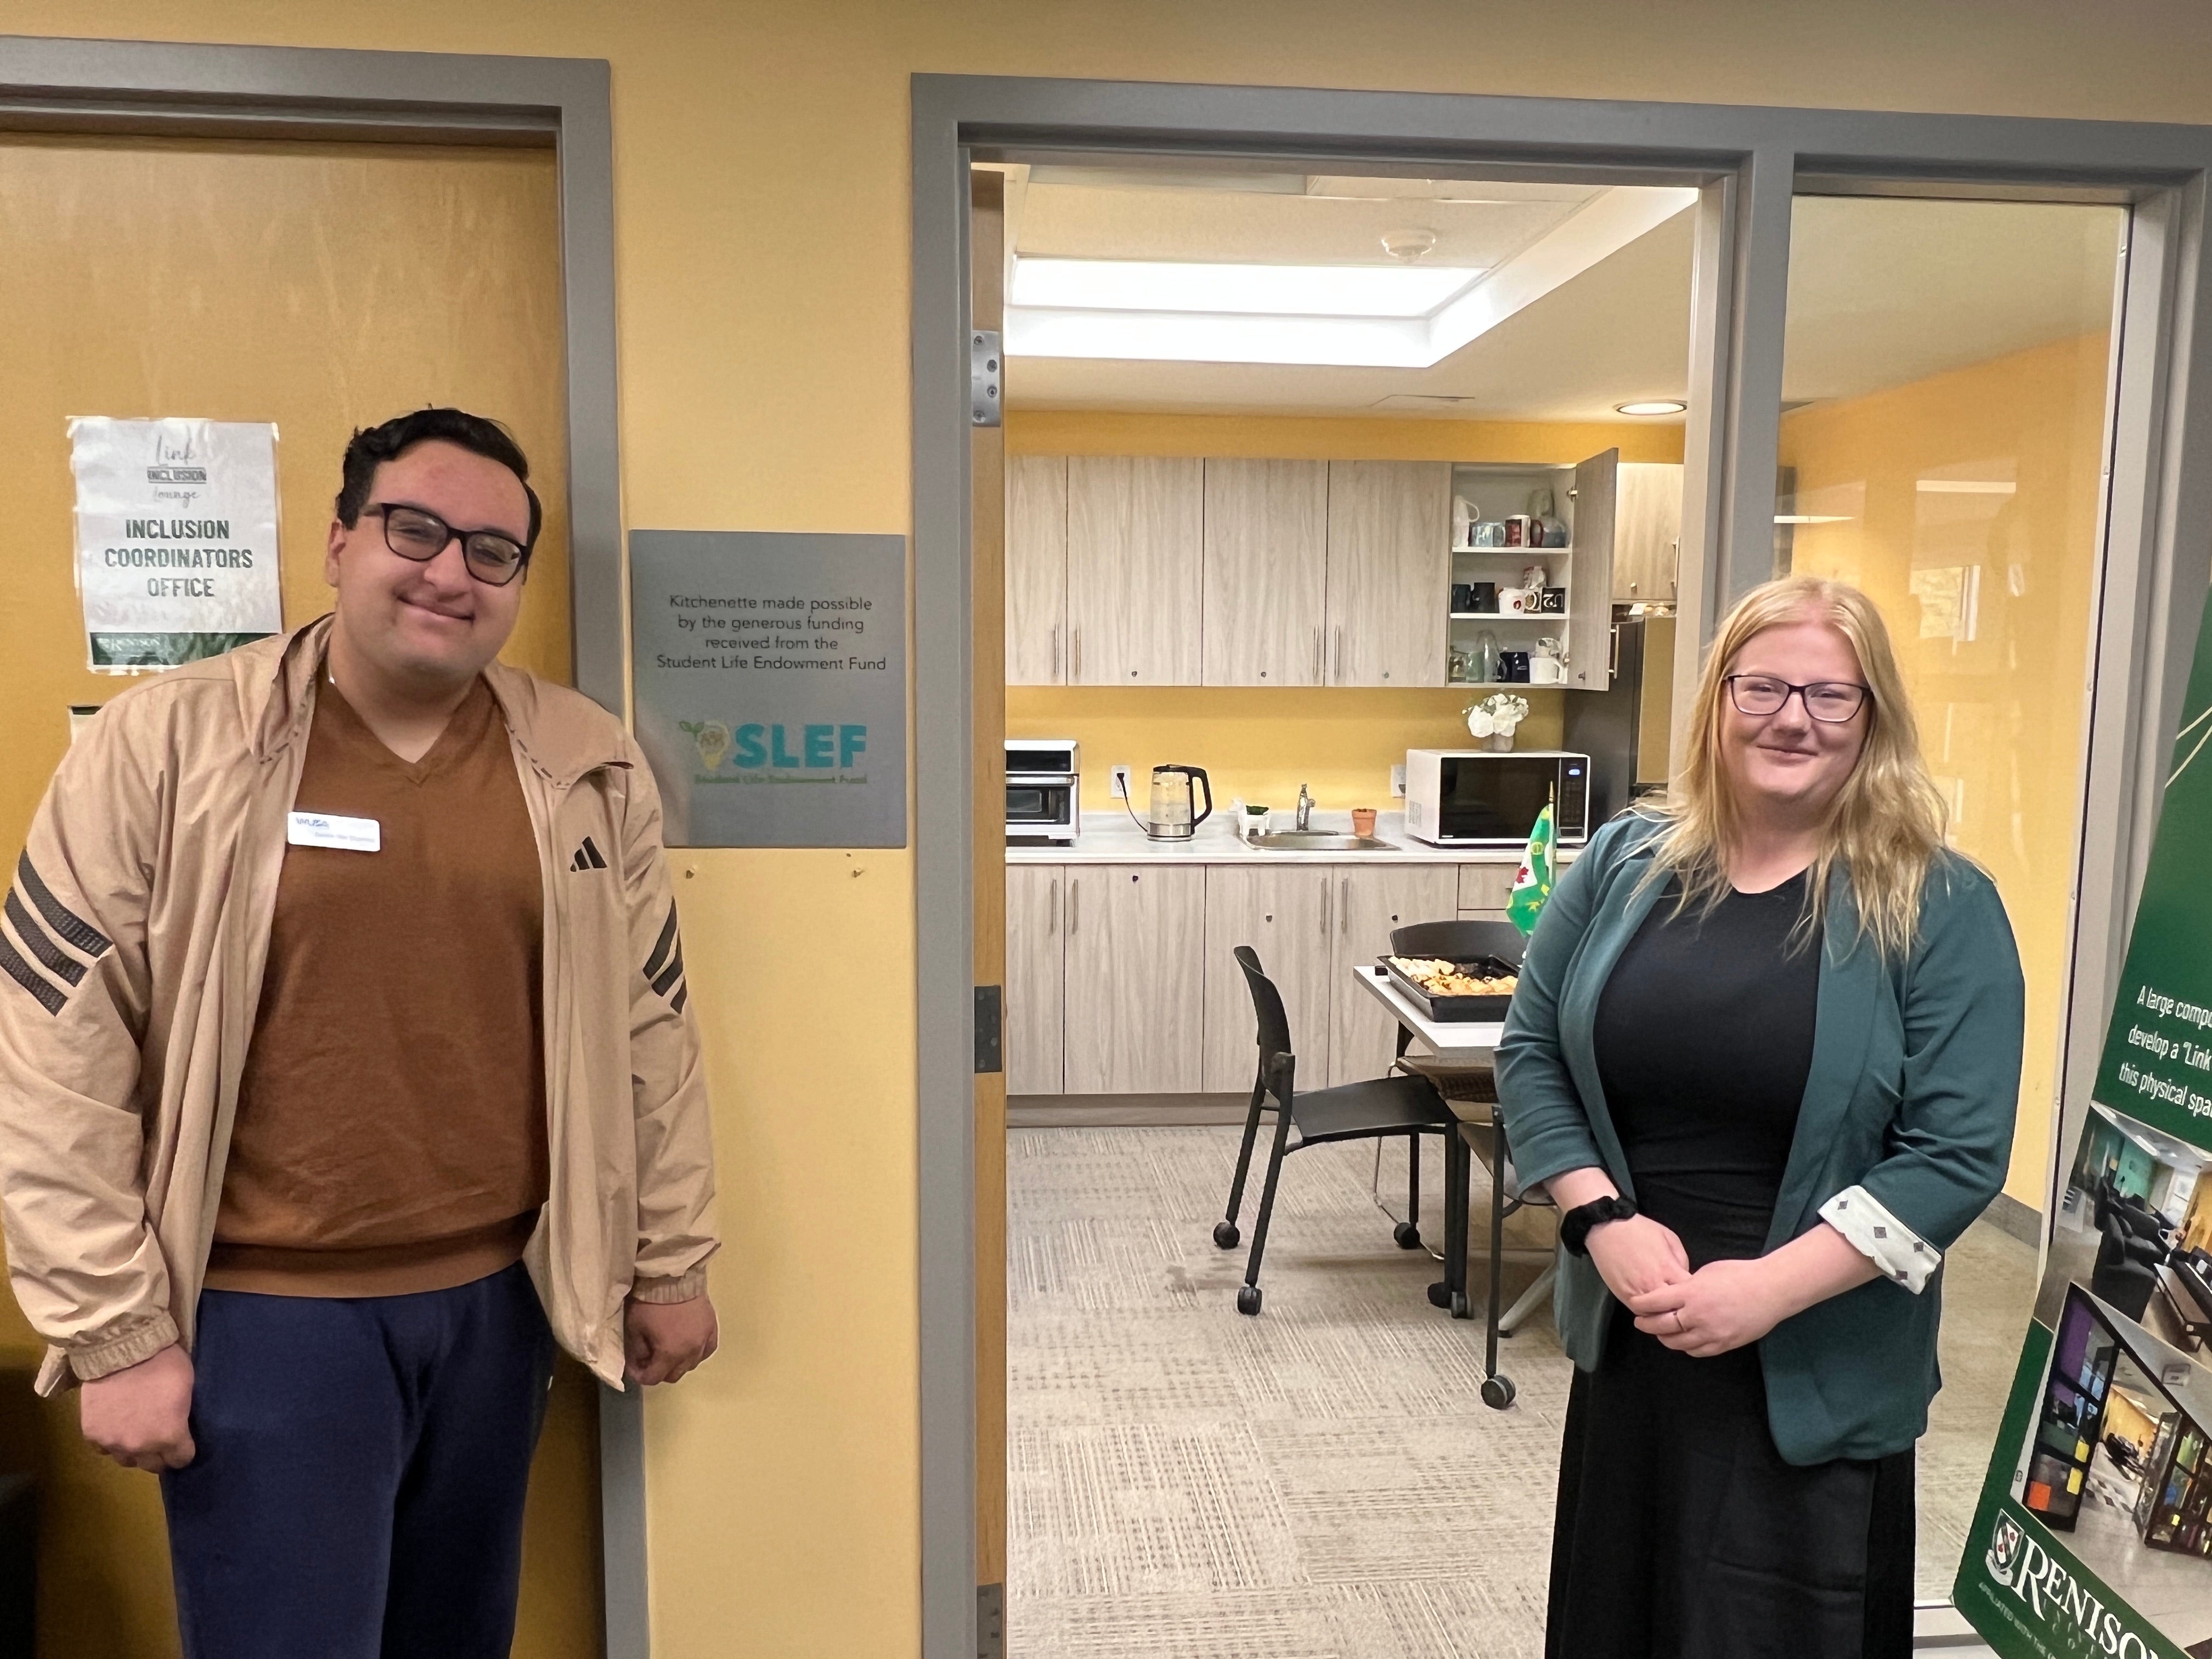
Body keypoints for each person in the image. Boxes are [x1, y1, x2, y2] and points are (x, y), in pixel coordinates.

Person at [0, 408, 720, 1657]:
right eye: (415, 529)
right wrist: (111, 1329)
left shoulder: (581, 761)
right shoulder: (169, 744)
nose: (450, 571)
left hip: (500, 1306)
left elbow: (649, 1026)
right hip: (265, 1322)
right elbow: (54, 1046)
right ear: (338, 541)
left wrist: (669, 1258)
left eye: (492, 551)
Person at [1495, 575, 2024, 1658]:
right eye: (1767, 687)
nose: (1795, 718)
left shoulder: (1940, 906)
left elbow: (1953, 1157)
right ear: (1719, 700)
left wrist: (1767, 1292)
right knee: (1621, 1619)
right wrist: (1602, 1223)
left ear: (1873, 719)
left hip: (1812, 1365)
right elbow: (1531, 1052)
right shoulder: (1624, 866)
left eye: (1833, 696)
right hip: (1638, 1335)